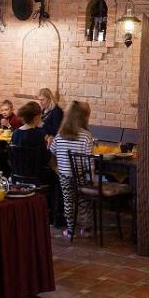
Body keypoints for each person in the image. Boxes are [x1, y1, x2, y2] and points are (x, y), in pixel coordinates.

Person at [51, 100, 94, 238]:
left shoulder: (60, 134)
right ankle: (86, 229)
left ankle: (70, 231)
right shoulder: (86, 136)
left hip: (64, 175)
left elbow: (52, 151)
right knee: (84, 200)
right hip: (81, 176)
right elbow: (89, 161)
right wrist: (91, 178)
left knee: (68, 201)